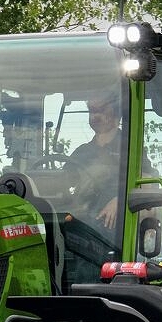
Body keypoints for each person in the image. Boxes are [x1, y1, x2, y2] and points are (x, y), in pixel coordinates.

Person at [57, 92, 128, 286]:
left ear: (116, 113)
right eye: (91, 111)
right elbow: (62, 182)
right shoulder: (82, 152)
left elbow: (145, 179)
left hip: (114, 230)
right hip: (82, 222)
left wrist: (120, 200)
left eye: (101, 109)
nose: (94, 115)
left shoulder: (129, 146)